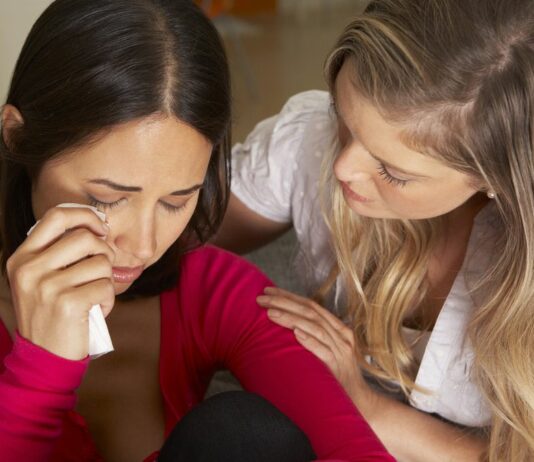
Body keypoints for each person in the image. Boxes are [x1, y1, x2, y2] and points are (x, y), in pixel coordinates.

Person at [0, 1, 395, 461]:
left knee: (247, 435)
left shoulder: (209, 291)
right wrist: (40, 369)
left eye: (175, 201)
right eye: (108, 198)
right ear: (17, 136)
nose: (144, 246)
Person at [215, 0, 534, 460]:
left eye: (393, 172)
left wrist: (363, 403)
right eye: (343, 121)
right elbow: (174, 231)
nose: (343, 168)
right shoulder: (309, 141)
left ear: (493, 180)